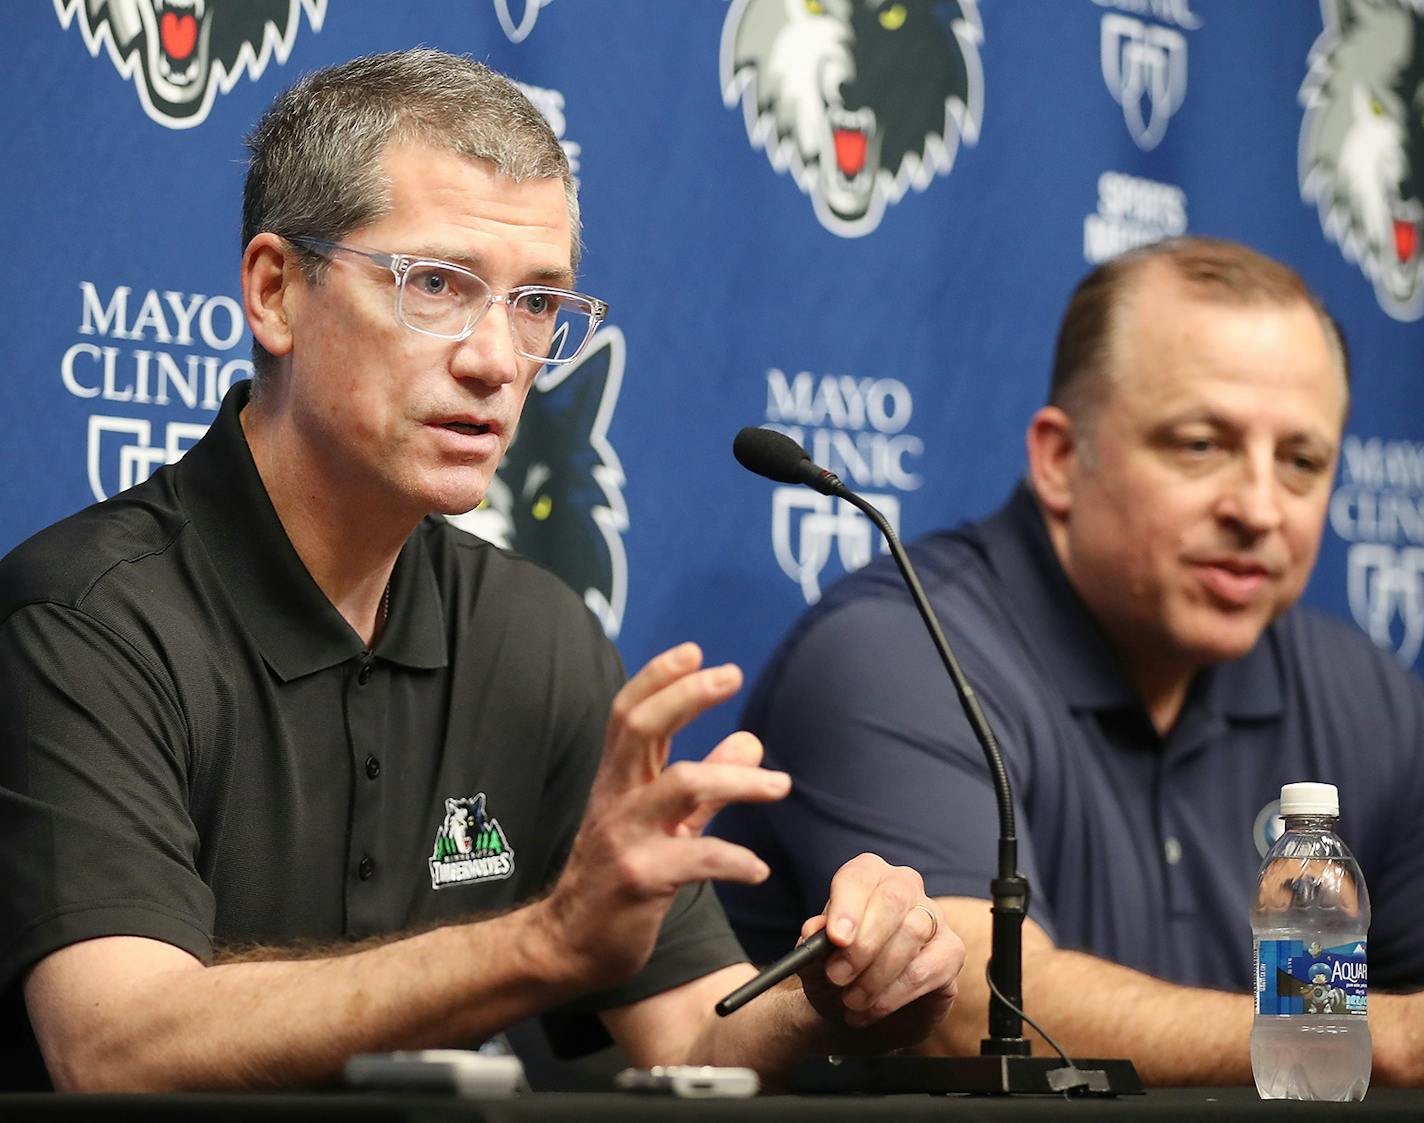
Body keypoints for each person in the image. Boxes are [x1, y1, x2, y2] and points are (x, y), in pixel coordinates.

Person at [0, 49, 964, 1093]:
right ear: (276, 292)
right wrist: (540, 943)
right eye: (438, 285)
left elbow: (693, 1036)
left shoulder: (534, 634)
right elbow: (114, 1046)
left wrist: (832, 993)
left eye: (538, 304)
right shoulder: (83, 622)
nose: (497, 360)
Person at [713, 236, 1424, 1085]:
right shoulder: (896, 652)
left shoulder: (1367, 694)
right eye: (1201, 444)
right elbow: (975, 1000)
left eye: (1302, 462)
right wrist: (1370, 1033)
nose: (1261, 508)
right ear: (1058, 458)